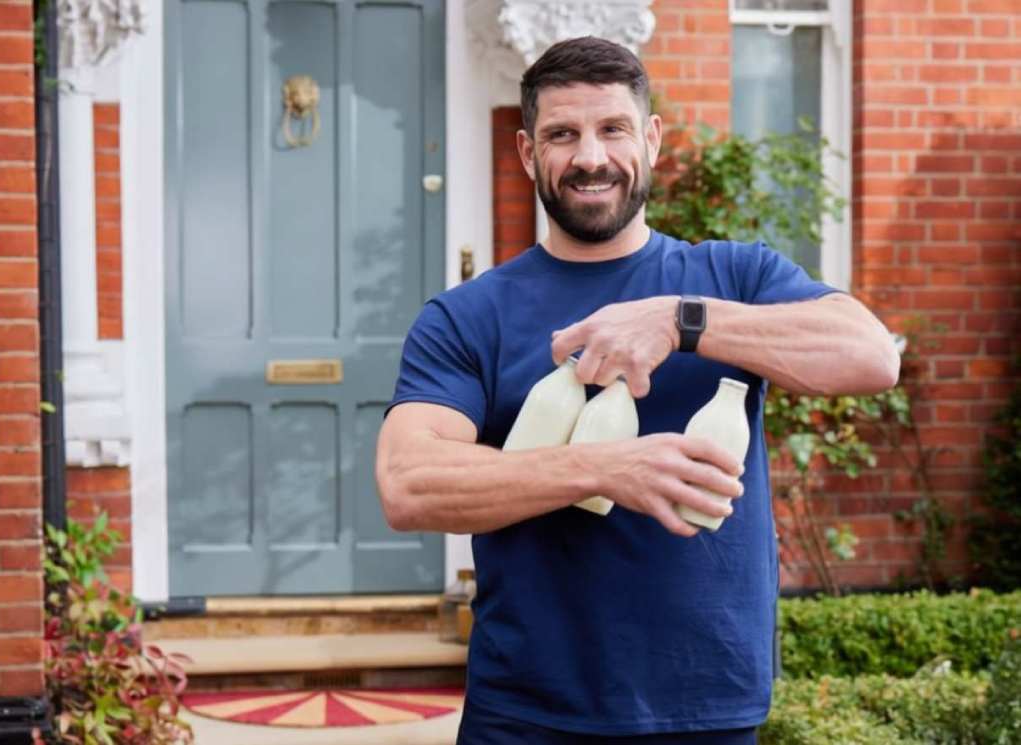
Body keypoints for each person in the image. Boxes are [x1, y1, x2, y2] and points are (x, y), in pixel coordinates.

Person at [376, 36, 898, 744]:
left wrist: (680, 321)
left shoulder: (731, 278)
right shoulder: (468, 317)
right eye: (562, 134)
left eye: (611, 129)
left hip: (705, 710)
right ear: (529, 153)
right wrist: (602, 467)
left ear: (649, 139)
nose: (590, 157)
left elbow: (868, 356)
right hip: (526, 714)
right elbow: (410, 484)